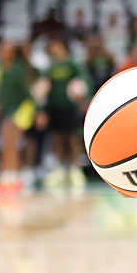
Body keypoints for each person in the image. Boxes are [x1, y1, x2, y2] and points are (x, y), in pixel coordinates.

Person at [36, 37, 91, 188]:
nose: (54, 49)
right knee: (57, 139)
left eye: (57, 46)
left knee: (73, 139)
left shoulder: (73, 63)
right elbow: (43, 88)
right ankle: (60, 169)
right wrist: (41, 110)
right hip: (54, 107)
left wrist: (85, 98)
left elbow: (84, 82)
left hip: (70, 108)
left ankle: (74, 169)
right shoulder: (50, 67)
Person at [0, 40, 35, 194]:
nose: (2, 50)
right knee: (6, 144)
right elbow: (0, 91)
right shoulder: (0, 69)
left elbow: (25, 94)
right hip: (7, 110)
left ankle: (13, 177)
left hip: (21, 109)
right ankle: (5, 177)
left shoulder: (18, 70)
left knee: (11, 143)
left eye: (5, 48)